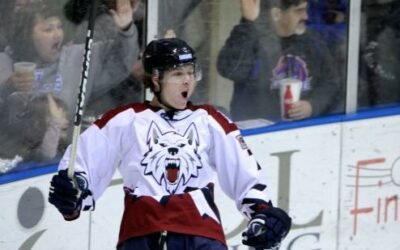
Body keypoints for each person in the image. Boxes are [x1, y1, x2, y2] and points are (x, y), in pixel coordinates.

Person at [48, 38, 292, 250]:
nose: (187, 81)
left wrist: (262, 213)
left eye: (190, 72)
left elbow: (245, 173)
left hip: (201, 237)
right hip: (141, 236)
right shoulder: (126, 121)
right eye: (177, 74)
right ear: (155, 79)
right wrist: (74, 188)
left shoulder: (209, 120)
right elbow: (82, 166)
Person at [0, 1, 140, 124]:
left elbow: (120, 61)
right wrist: (8, 87)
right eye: (48, 29)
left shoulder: (77, 58)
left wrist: (126, 29)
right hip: (15, 152)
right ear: (27, 35)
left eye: (59, 27)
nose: (57, 34)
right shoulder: (6, 61)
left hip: (67, 150)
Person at [217, 0, 342, 122]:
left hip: (303, 132)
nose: (306, 16)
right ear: (276, 14)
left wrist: (312, 105)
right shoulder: (253, 38)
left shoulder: (312, 41)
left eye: (306, 9)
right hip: (258, 133)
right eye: (299, 11)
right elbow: (230, 70)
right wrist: (247, 23)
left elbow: (331, 82)